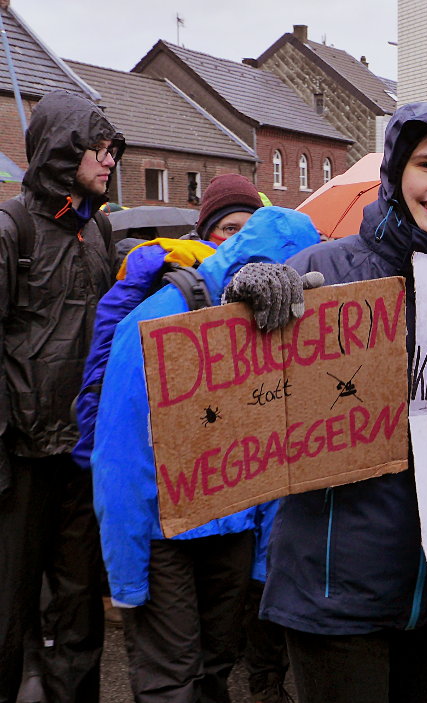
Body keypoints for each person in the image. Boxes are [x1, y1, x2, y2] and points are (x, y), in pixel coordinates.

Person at [221, 102, 427, 703]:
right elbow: (227, 395)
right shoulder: (323, 272)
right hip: (335, 592)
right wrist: (242, 305)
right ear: (396, 172)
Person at [91, 207, 318, 702]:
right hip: (161, 535)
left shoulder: (275, 327)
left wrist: (261, 561)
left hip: (231, 528)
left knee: (215, 668)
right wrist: (126, 577)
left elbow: (273, 453)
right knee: (171, 680)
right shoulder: (153, 322)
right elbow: (119, 463)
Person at [0, 89, 124, 703]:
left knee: (79, 610)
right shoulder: (10, 229)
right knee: (7, 609)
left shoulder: (97, 229)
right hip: (19, 461)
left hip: (81, 456)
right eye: (99, 151)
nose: (109, 162)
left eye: (111, 151)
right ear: (61, 152)